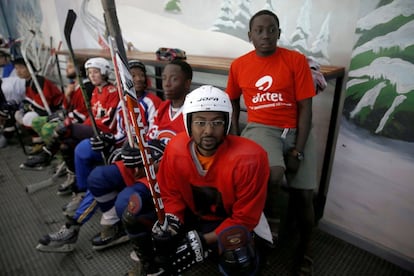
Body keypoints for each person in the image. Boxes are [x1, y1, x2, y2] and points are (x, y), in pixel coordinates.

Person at [122, 85, 270, 275]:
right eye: (200, 122)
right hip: (191, 214)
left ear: (227, 123)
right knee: (135, 211)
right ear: (188, 123)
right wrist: (173, 223)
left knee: (239, 256)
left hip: (226, 221)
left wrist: (203, 240)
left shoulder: (252, 158)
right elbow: (170, 193)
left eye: (217, 122)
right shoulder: (175, 148)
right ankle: (151, 266)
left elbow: (245, 217)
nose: (208, 131)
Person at [226, 10, 318, 276]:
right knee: (273, 174)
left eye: (271, 29)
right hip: (262, 127)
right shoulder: (239, 65)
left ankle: (306, 250)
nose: (265, 35)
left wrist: (298, 150)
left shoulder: (295, 60)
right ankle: (269, 227)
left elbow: (306, 109)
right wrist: (235, 137)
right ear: (250, 35)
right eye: (259, 30)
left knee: (304, 195)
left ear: (279, 32)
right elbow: (231, 99)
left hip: (296, 129)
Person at [87, 59, 193, 252]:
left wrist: (154, 158)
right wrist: (130, 149)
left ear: (187, 83)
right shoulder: (164, 108)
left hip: (165, 174)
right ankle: (116, 225)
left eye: (174, 79)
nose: (166, 84)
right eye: (164, 78)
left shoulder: (192, 113)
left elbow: (187, 154)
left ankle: (147, 249)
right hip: (146, 166)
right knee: (97, 178)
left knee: (126, 204)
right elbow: (150, 139)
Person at [20, 56, 94, 170]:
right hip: (69, 117)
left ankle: (62, 160)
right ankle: (54, 153)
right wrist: (68, 96)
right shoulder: (74, 86)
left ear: (79, 70)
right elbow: (65, 107)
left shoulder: (86, 88)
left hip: (79, 123)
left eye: (70, 67)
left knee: (47, 128)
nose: (66, 70)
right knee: (37, 122)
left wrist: (61, 119)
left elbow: (83, 114)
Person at [12, 57, 63, 154]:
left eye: (21, 68)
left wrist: (29, 108)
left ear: (29, 67)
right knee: (19, 114)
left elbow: (44, 105)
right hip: (42, 109)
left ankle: (42, 142)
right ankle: (38, 141)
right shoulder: (29, 81)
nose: (18, 71)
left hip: (54, 110)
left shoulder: (38, 81)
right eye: (16, 68)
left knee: (28, 117)